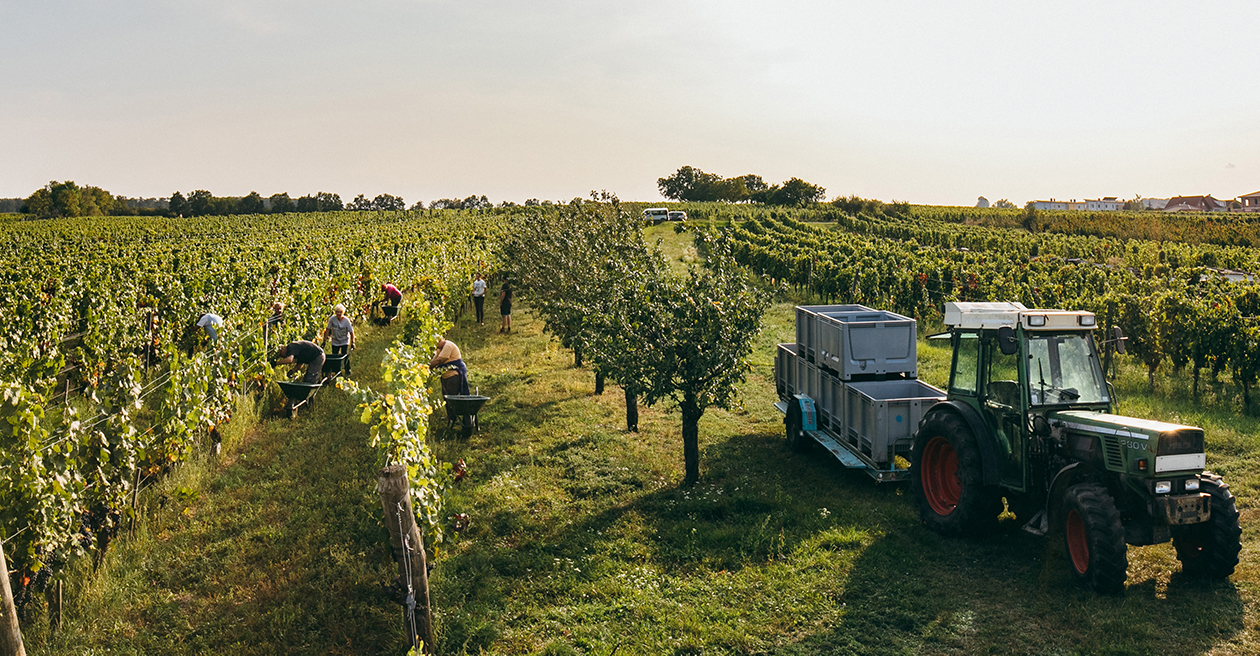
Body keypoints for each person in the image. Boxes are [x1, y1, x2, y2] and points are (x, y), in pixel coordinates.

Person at [430, 336, 470, 421]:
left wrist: (428, 367)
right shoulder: (439, 349)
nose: (436, 345)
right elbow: (435, 359)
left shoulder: (447, 345)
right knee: (446, 397)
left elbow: (440, 360)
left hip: (454, 375)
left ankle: (455, 416)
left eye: (437, 343)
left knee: (452, 396)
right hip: (445, 376)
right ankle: (451, 416)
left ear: (441, 340)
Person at [322, 304, 355, 374]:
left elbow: (351, 332)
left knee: (344, 355)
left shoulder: (346, 321)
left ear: (343, 313)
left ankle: (347, 369)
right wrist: (324, 341)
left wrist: (353, 342)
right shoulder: (332, 319)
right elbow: (327, 329)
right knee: (335, 356)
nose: (338, 314)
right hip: (335, 340)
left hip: (344, 340)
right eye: (337, 312)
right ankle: (337, 370)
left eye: (340, 312)